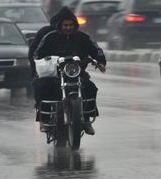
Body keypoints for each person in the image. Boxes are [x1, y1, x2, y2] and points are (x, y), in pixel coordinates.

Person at [34, 7, 107, 135]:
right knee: (42, 87)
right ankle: (44, 119)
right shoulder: (50, 37)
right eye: (65, 25)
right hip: (54, 74)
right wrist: (42, 62)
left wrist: (100, 61)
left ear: (75, 25)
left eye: (71, 25)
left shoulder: (83, 37)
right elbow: (38, 53)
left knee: (90, 88)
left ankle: (87, 120)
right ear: (60, 25)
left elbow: (96, 49)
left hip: (76, 72)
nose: (68, 27)